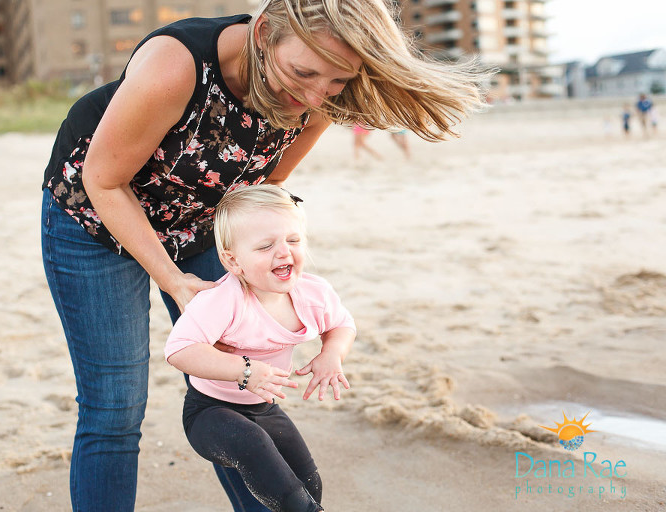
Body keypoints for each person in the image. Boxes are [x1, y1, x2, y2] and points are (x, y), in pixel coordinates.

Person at [40, 0, 487, 510]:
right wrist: (174, 280)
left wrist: (268, 256)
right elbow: (104, 179)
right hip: (95, 218)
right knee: (115, 406)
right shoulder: (176, 66)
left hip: (206, 227)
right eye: (303, 72)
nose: (315, 96)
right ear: (266, 32)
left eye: (336, 83)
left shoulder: (319, 100)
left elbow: (264, 186)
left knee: (243, 393)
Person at [164, 185, 355, 512]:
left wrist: (331, 354)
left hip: (264, 409)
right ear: (232, 260)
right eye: (266, 246)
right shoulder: (223, 300)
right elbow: (179, 349)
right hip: (210, 412)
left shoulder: (313, 294)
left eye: (293, 240)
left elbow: (342, 325)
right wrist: (243, 371)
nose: (283, 252)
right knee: (256, 449)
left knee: (308, 483)